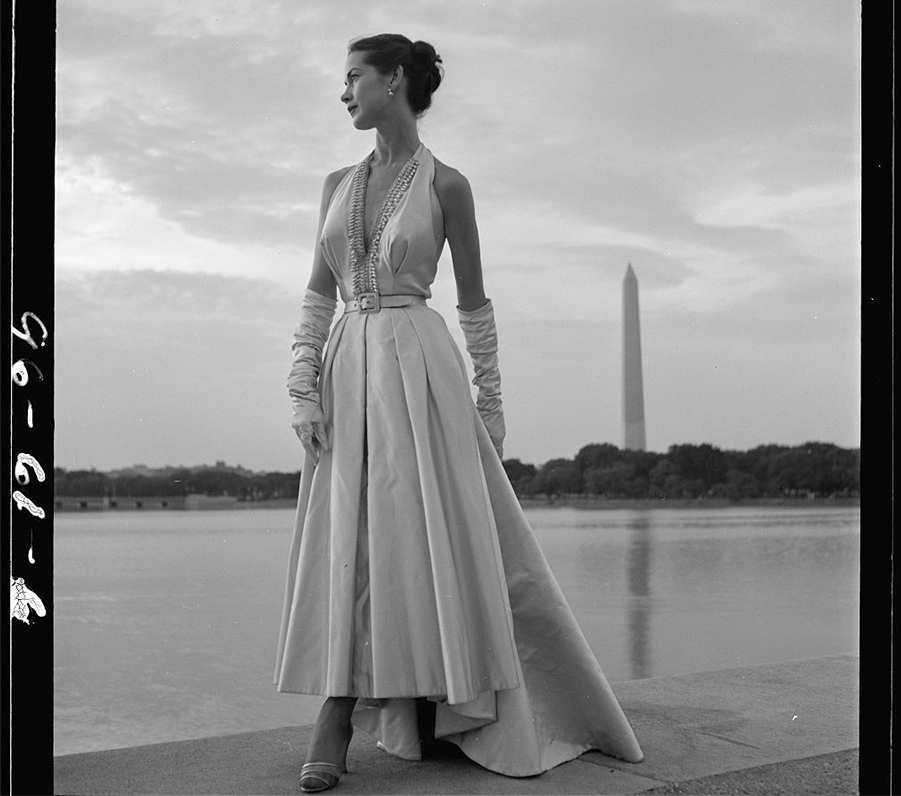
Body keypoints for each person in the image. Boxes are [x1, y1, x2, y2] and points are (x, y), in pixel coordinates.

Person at [274, 33, 643, 793]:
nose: (343, 93)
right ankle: (336, 712)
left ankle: (420, 704)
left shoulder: (449, 186)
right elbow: (318, 292)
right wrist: (301, 383)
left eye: (352, 78)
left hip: (420, 369)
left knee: (420, 540)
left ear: (395, 80)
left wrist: (492, 403)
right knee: (352, 538)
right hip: (348, 367)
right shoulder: (336, 182)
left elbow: (473, 301)